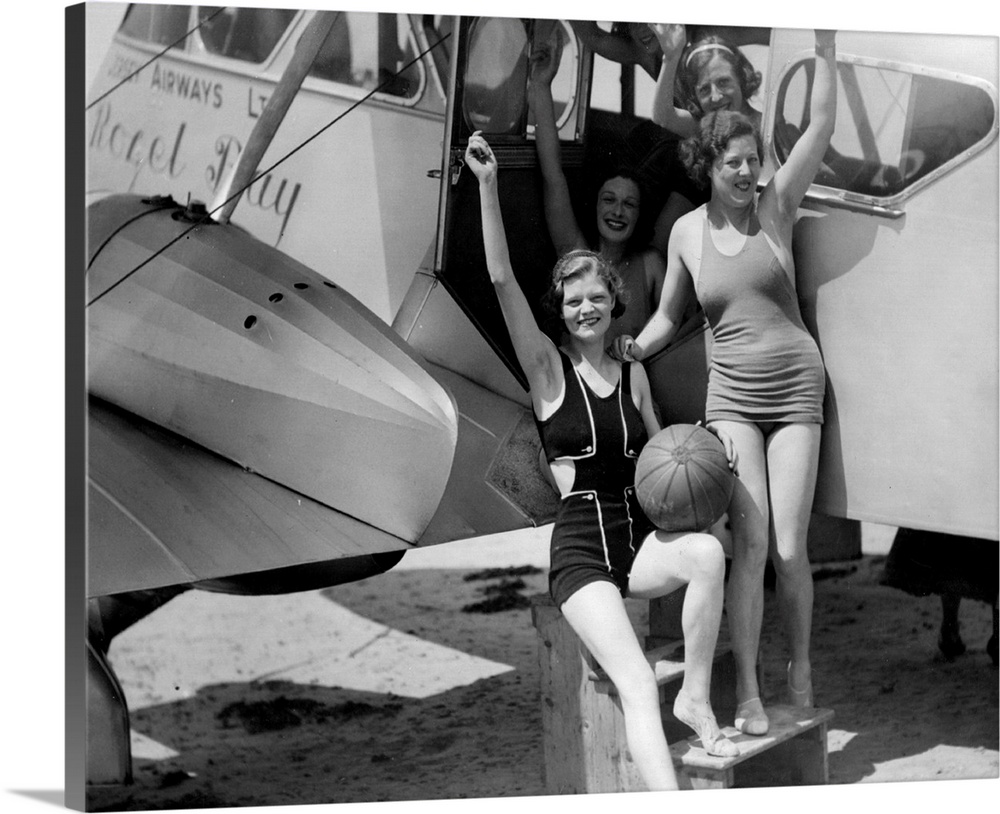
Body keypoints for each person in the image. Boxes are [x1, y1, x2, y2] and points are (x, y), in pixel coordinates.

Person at [464, 130, 739, 790]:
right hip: (584, 554)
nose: (586, 307)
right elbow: (502, 279)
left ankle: (695, 696)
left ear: (613, 302)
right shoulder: (548, 374)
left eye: (597, 297)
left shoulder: (630, 371)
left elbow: (662, 460)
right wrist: (488, 187)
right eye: (573, 300)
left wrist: (704, 458)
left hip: (637, 541)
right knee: (638, 681)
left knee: (706, 555)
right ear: (559, 310)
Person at [613, 31, 838, 737]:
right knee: (748, 540)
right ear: (708, 165)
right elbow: (667, 319)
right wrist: (630, 346)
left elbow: (823, 123)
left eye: (752, 161)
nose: (747, 173)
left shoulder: (778, 206)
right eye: (733, 163)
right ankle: (748, 689)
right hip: (733, 395)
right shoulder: (684, 233)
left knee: (791, 548)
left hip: (796, 387)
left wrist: (825, 39)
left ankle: (799, 669)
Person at [528, 27, 693, 345]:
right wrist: (541, 85)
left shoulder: (651, 265)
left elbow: (677, 326)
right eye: (610, 199)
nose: (618, 211)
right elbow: (553, 175)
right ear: (597, 205)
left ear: (639, 215)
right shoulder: (575, 253)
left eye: (629, 204)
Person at [650, 23, 763, 140]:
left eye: (723, 82)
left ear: (742, 78)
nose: (715, 97)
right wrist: (671, 58)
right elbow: (663, 117)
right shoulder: (705, 130)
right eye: (704, 89)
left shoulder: (768, 126)